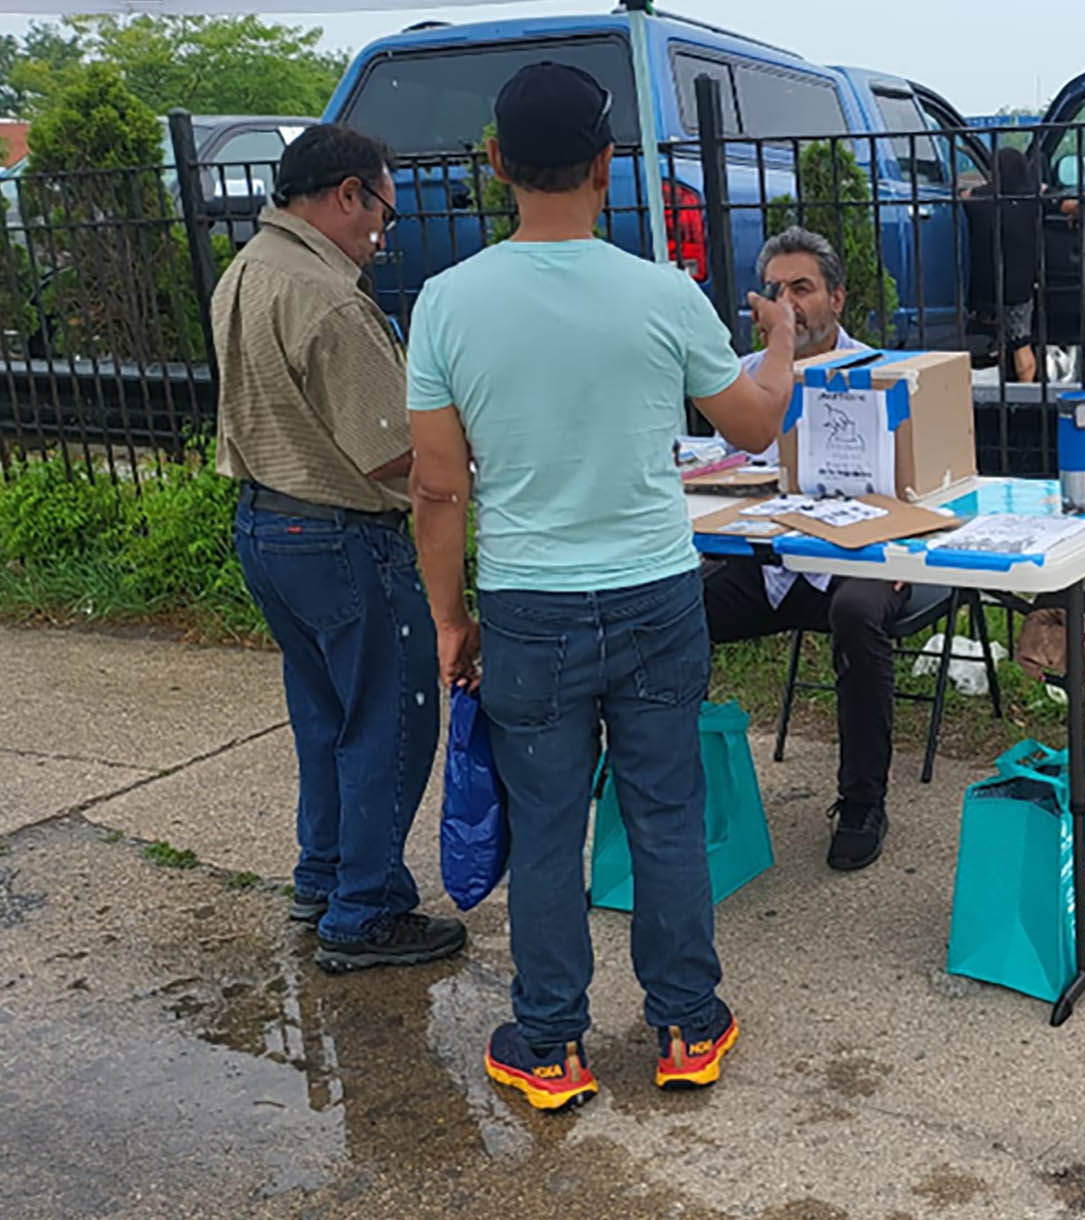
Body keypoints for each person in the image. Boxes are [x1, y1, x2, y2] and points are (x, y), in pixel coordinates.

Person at [406, 62, 796, 1111]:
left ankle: (548, 1043)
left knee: (545, 829)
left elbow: (438, 490)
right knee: (665, 815)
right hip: (656, 594)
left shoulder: (446, 304)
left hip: (529, 606)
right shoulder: (660, 292)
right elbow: (753, 427)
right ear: (605, 163)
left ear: (495, 164)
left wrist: (451, 616)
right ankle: (683, 1025)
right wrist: (781, 345)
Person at [214, 124, 466, 976]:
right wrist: (475, 459)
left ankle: (321, 877)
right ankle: (365, 910)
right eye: (381, 211)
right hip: (340, 534)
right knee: (392, 723)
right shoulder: (326, 295)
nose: (381, 232)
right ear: (347, 193)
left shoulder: (246, 270)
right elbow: (392, 448)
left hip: (266, 527)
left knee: (326, 719)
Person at [700, 227, 906, 874]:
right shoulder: (741, 379)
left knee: (857, 614)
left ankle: (860, 801)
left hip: (856, 562)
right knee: (668, 604)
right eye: (776, 290)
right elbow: (725, 468)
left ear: (837, 298)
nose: (788, 303)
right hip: (766, 567)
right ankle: (668, 783)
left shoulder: (883, 375)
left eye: (803, 288)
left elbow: (921, 478)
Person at [962, 146, 1076, 383]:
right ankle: (1026, 391)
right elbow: (1068, 204)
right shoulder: (1032, 195)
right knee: (1020, 342)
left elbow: (963, 197)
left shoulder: (978, 198)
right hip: (1019, 285)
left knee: (990, 335)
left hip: (983, 285)